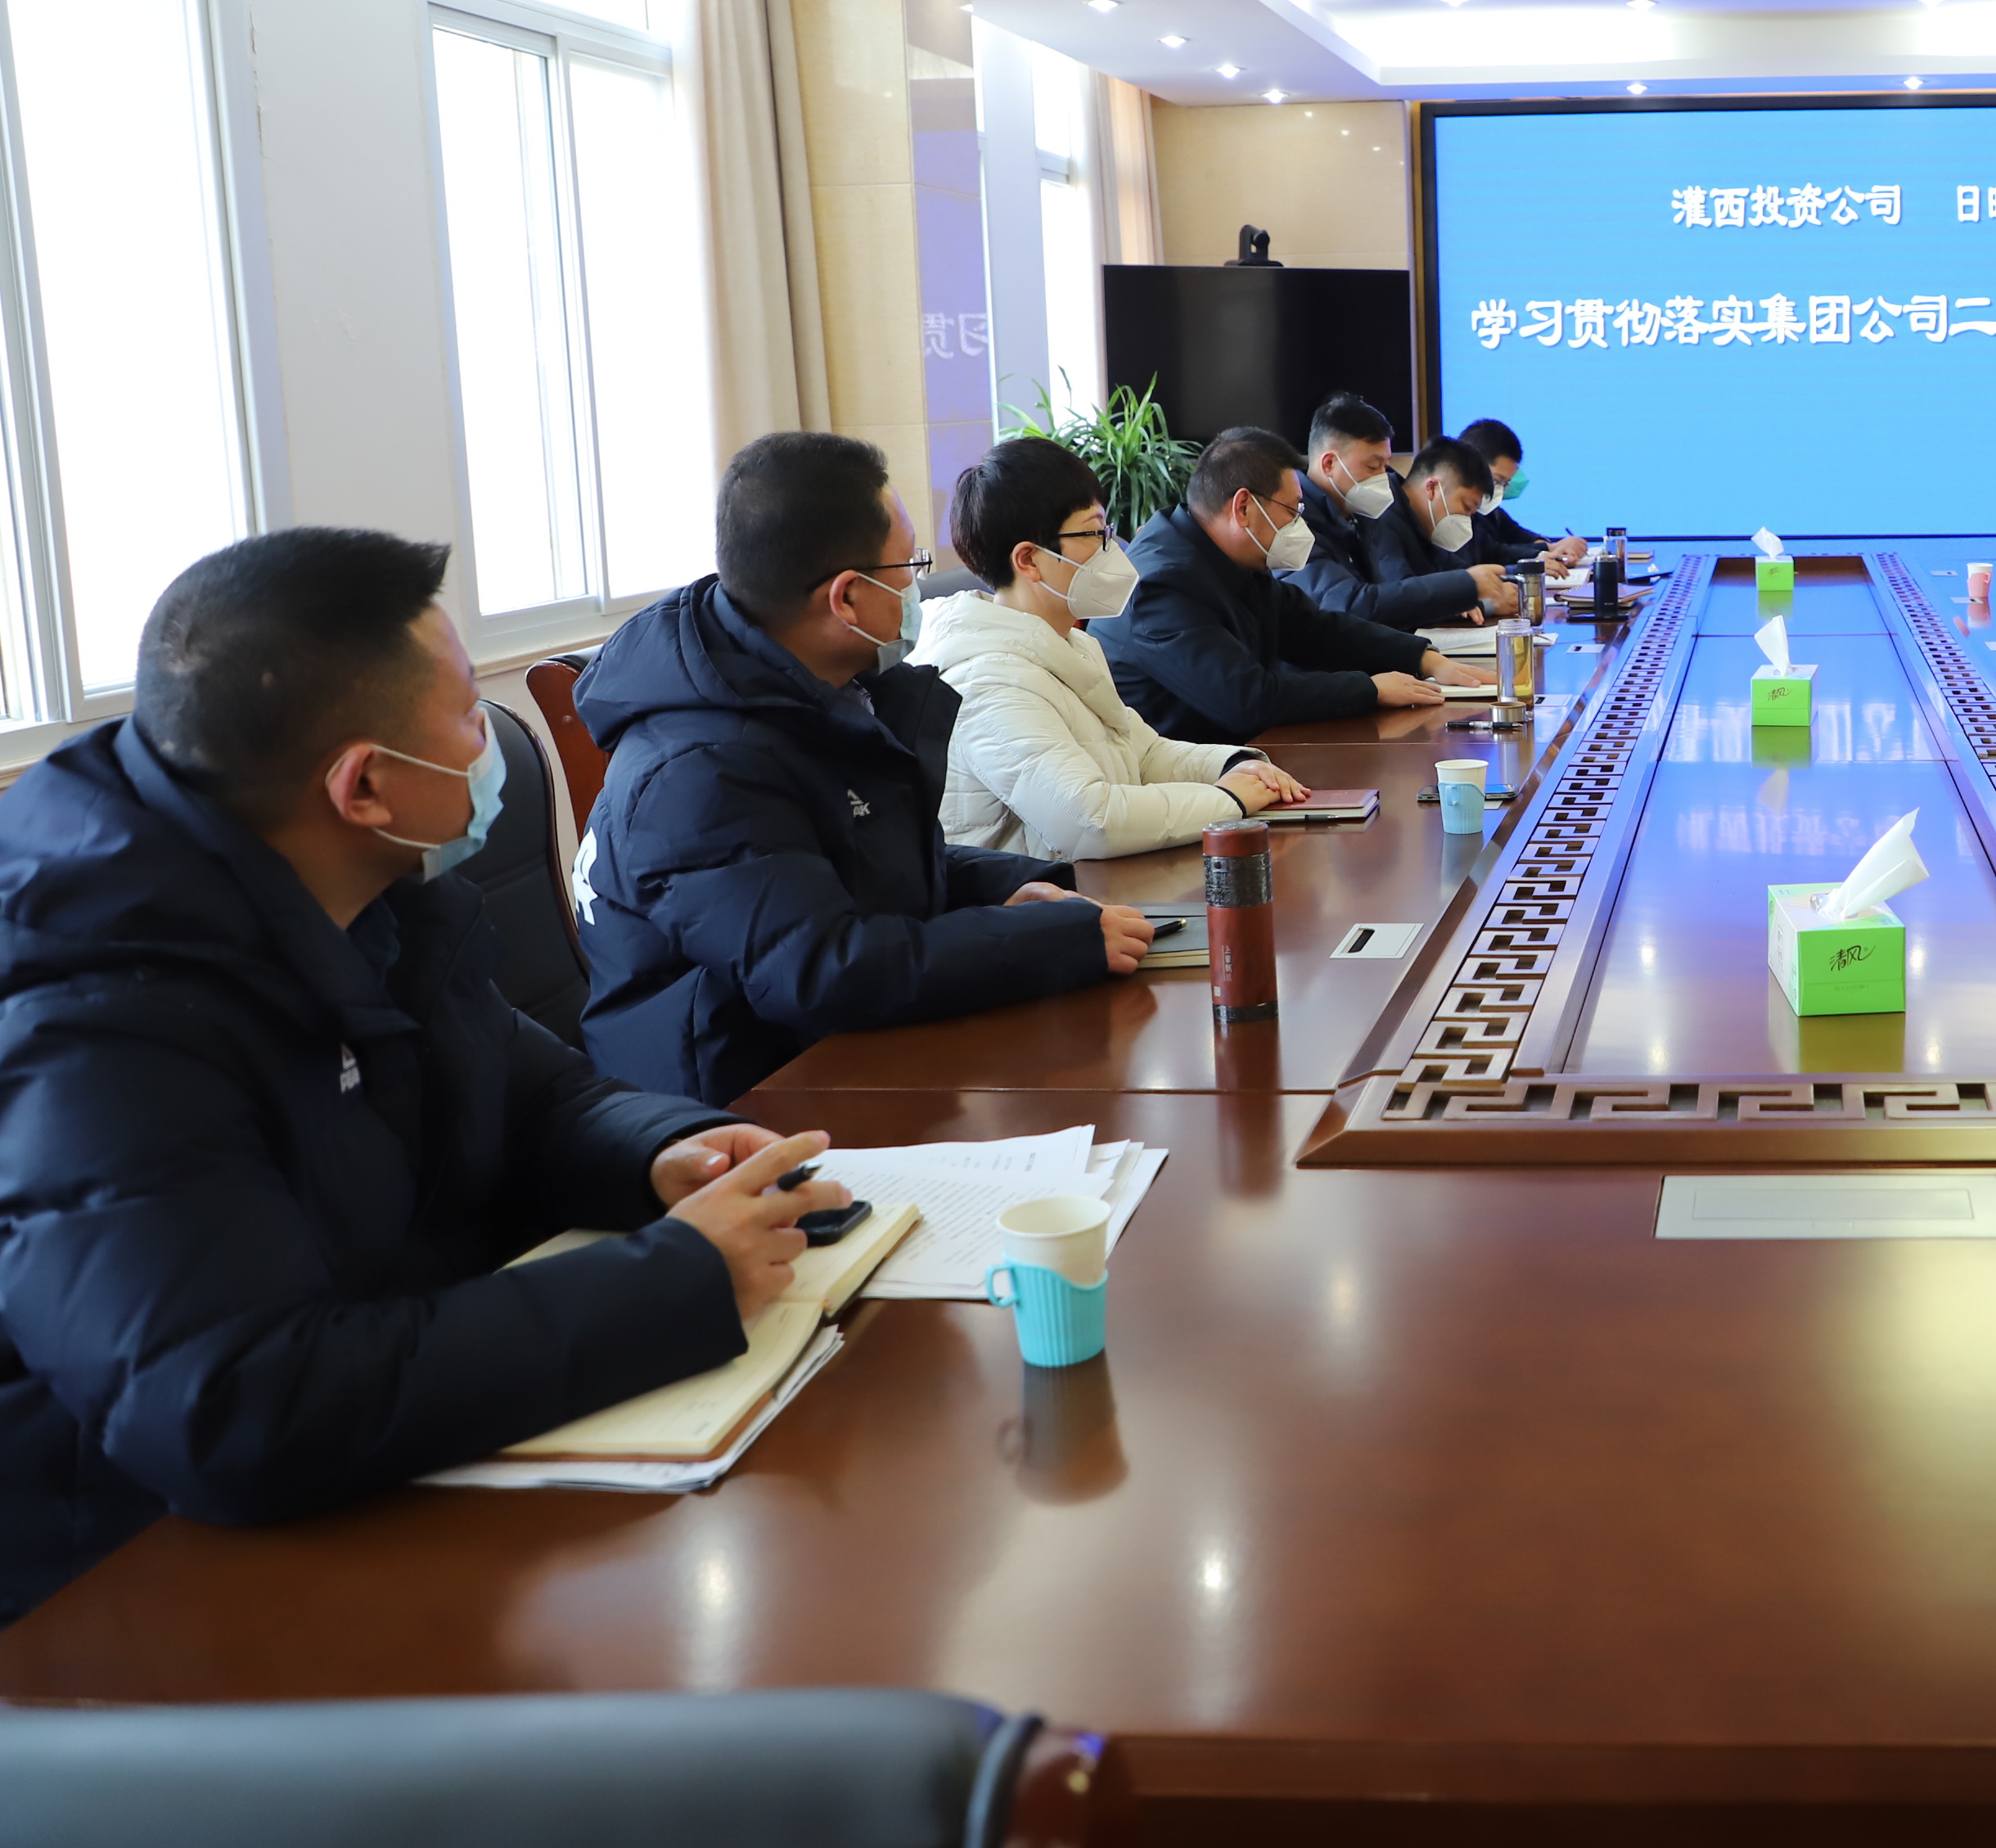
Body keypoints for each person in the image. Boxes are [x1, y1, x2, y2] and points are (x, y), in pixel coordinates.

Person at [0, 529, 853, 1621]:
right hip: (132, 1590)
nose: (490, 740)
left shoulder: (373, 892)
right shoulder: (95, 1018)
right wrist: (678, 1282)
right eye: (465, 716)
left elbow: (537, 1091)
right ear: (364, 785)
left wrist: (659, 1152)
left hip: (393, 1474)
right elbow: (234, 1405)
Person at [576, 432, 1158, 1107]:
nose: (919, 586)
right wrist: (1043, 944)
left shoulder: (818, 688)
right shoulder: (699, 771)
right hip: (737, 1103)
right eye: (908, 564)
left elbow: (876, 861)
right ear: (847, 598)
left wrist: (1023, 889)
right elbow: (824, 971)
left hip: (840, 1052)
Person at [913, 437, 1314, 861]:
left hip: (1096, 882)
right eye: (1094, 533)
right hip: (1047, 893)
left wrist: (1234, 766)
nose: (1113, 548)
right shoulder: (987, 680)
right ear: (1029, 560)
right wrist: (1228, 801)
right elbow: (1089, 822)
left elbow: (1144, 753)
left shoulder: (1071, 644)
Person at [1090, 426, 1476, 744]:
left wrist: (1422, 658)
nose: (1299, 525)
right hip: (1177, 782)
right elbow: (1247, 700)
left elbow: (1315, 628)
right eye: (1293, 511)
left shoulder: (1229, 555)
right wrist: (1371, 689)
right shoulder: (1161, 584)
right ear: (1244, 507)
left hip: (1242, 756)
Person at [1293, 394, 1516, 629]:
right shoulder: (1294, 521)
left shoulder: (1361, 516)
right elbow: (1355, 606)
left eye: (1385, 467)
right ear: (1329, 464)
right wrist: (1466, 588)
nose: (1383, 479)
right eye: (1372, 467)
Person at [1367, 438, 1514, 601]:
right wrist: (1478, 597)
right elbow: (1399, 596)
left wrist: (1496, 583)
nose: (1467, 521)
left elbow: (1460, 571)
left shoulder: (1424, 525)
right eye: (1466, 508)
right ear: (1432, 488)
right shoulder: (1381, 517)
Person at [1456, 416, 1588, 572]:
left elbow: (1506, 543)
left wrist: (1549, 550)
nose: (1499, 491)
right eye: (1497, 481)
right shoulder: (1453, 516)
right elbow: (1475, 567)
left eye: (1505, 484)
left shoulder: (1490, 512)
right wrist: (1541, 557)